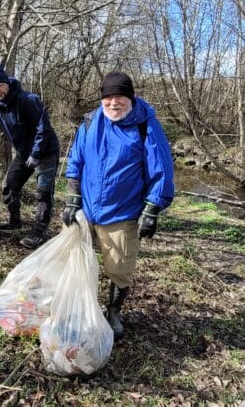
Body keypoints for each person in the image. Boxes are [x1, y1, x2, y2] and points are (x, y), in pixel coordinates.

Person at [62, 71, 175, 339]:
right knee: (76, 261)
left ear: (130, 98)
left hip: (122, 213)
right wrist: (71, 200)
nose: (114, 103)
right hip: (87, 211)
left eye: (120, 97)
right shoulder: (90, 123)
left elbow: (161, 170)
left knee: (119, 269)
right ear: (102, 99)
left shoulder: (145, 126)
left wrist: (151, 210)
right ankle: (79, 307)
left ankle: (113, 312)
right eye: (108, 97)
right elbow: (75, 162)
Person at [0, 62, 61, 248]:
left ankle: (38, 231)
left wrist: (36, 154)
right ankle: (15, 222)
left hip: (46, 151)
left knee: (43, 191)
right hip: (23, 153)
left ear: (7, 84)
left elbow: (43, 129)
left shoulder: (28, 100)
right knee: (9, 184)